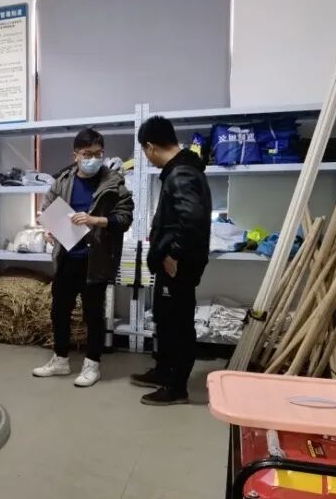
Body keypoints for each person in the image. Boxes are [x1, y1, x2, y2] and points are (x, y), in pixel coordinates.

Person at [32, 128, 134, 387]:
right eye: (87, 154)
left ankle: (92, 364)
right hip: (67, 255)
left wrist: (94, 220)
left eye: (99, 153)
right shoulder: (63, 180)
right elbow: (47, 208)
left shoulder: (113, 183)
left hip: (95, 257)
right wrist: (48, 229)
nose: (93, 159)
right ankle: (60, 359)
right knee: (59, 310)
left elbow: (124, 218)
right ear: (75, 155)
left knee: (93, 314)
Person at [131, 116, 211, 405]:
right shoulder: (182, 169)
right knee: (165, 319)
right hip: (173, 260)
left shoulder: (181, 174)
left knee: (178, 323)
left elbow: (192, 219)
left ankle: (177, 387)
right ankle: (164, 371)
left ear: (150, 147)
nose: (147, 157)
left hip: (178, 263)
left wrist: (174, 253)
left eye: (145, 151)